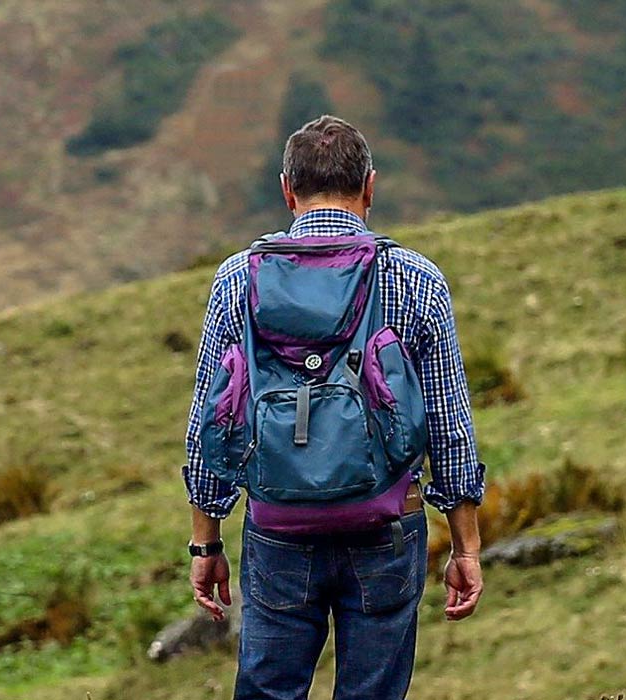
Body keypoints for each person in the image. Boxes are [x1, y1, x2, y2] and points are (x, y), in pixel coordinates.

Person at [182, 115, 487, 699]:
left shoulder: (235, 280)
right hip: (387, 525)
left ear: (286, 190)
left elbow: (210, 423)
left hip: (278, 527)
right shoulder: (416, 278)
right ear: (370, 187)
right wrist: (465, 545)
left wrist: (207, 542)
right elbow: (450, 428)